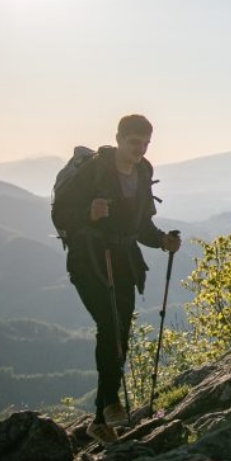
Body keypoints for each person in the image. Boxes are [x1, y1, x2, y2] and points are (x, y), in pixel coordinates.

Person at [52, 114, 181, 443]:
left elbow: (142, 227)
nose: (140, 148)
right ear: (119, 139)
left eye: (145, 143)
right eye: (134, 142)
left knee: (119, 332)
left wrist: (163, 240)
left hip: (124, 261)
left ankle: (100, 419)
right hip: (90, 259)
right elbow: (60, 214)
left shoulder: (142, 172)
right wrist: (87, 214)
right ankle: (110, 404)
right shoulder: (95, 172)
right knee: (110, 327)